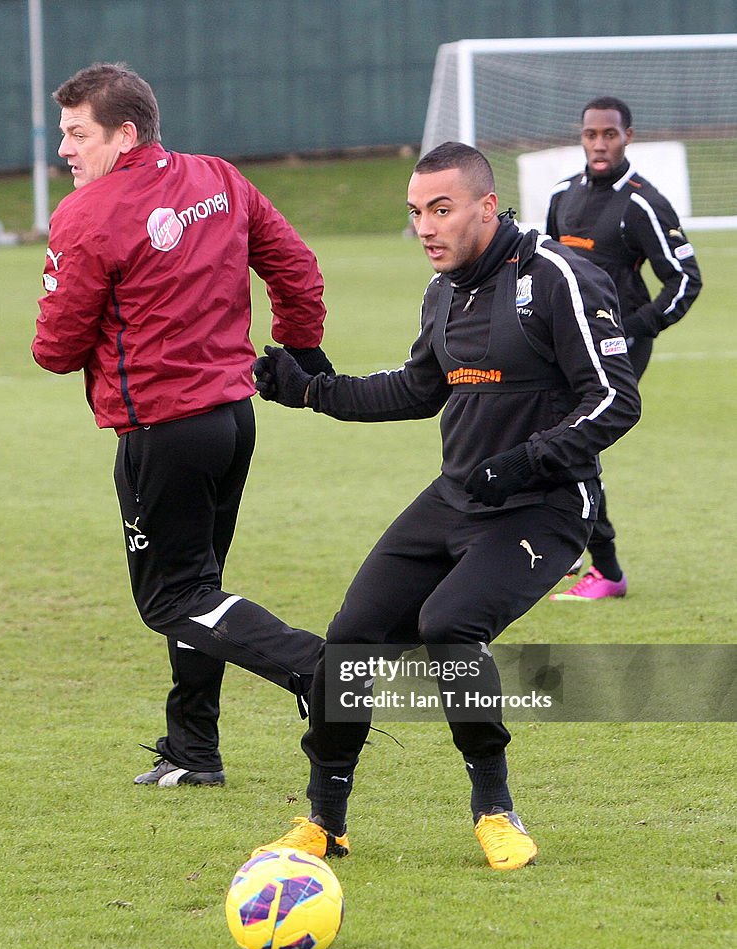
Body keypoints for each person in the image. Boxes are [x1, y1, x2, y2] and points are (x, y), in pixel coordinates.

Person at [249, 142, 641, 870]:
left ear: (487, 207)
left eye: (441, 209)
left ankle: (495, 809)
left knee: (449, 623)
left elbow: (616, 399)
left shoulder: (557, 276)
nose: (426, 227)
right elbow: (417, 389)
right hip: (458, 495)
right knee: (352, 635)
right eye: (416, 212)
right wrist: (309, 390)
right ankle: (324, 820)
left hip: (543, 506)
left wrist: (526, 461)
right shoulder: (444, 292)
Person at [32, 63, 332, 787]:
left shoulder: (88, 215)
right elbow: (296, 266)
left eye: (78, 134)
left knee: (173, 598)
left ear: (124, 134)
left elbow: (55, 348)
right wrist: (301, 345)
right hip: (232, 420)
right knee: (201, 590)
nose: (64, 149)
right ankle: (192, 751)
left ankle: (322, 671)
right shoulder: (218, 178)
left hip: (163, 432)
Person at [546, 96, 702, 601]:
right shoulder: (562, 194)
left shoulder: (642, 203)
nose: (599, 143)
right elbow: (549, 270)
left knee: (576, 442)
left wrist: (634, 328)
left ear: (627, 137)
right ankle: (566, 547)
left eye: (609, 134)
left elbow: (683, 280)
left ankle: (606, 571)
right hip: (564, 343)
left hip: (617, 349)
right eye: (591, 133)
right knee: (546, 436)